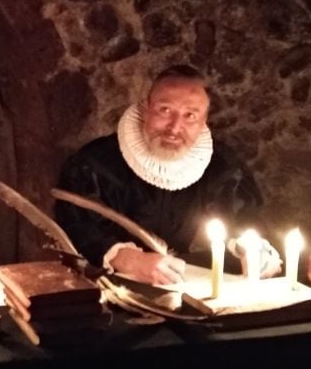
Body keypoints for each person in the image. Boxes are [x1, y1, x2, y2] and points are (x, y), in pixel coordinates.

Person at [53, 64, 280, 285]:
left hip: (180, 284)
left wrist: (255, 248)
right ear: (146, 109)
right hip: (106, 291)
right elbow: (75, 227)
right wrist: (126, 259)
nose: (174, 128)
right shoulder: (92, 163)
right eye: (165, 110)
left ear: (203, 122)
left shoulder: (223, 165)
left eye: (190, 115)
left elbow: (242, 216)